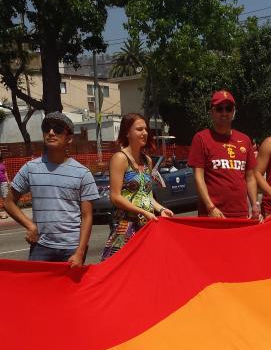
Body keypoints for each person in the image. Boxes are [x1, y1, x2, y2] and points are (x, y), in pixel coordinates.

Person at [4, 112, 98, 266]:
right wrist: (30, 225)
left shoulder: (82, 173)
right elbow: (8, 202)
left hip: (71, 248)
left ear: (69, 138)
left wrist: (80, 252)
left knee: (70, 291)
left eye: (58, 129)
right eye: (47, 128)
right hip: (41, 247)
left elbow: (87, 217)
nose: (51, 132)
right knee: (37, 289)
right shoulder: (30, 168)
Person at [101, 113, 173, 260]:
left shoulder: (147, 160)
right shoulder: (120, 158)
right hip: (125, 226)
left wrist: (162, 209)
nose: (145, 133)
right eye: (139, 129)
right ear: (127, 132)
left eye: (146, 129)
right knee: (120, 269)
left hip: (146, 225)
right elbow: (115, 197)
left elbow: (147, 196)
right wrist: (143, 211)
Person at [188, 90, 259, 219]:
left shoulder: (244, 139)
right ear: (212, 112)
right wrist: (211, 207)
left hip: (240, 214)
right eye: (219, 108)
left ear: (234, 112)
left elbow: (250, 178)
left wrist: (254, 205)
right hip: (212, 214)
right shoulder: (201, 138)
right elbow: (199, 178)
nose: (224, 113)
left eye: (229, 108)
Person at [0, 154, 10, 219]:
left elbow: (5, 172)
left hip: (3, 182)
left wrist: (8, 180)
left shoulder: (2, 164)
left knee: (4, 198)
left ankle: (6, 213)